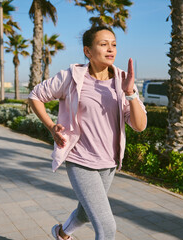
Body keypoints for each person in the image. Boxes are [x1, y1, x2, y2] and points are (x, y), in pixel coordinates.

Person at [28, 26, 147, 240]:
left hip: (108, 163)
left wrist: (130, 94)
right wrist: (51, 126)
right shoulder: (71, 77)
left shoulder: (123, 80)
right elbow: (36, 96)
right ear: (88, 51)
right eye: (103, 44)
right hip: (80, 159)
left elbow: (139, 125)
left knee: (85, 213)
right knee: (107, 227)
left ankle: (61, 234)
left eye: (114, 44)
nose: (110, 49)